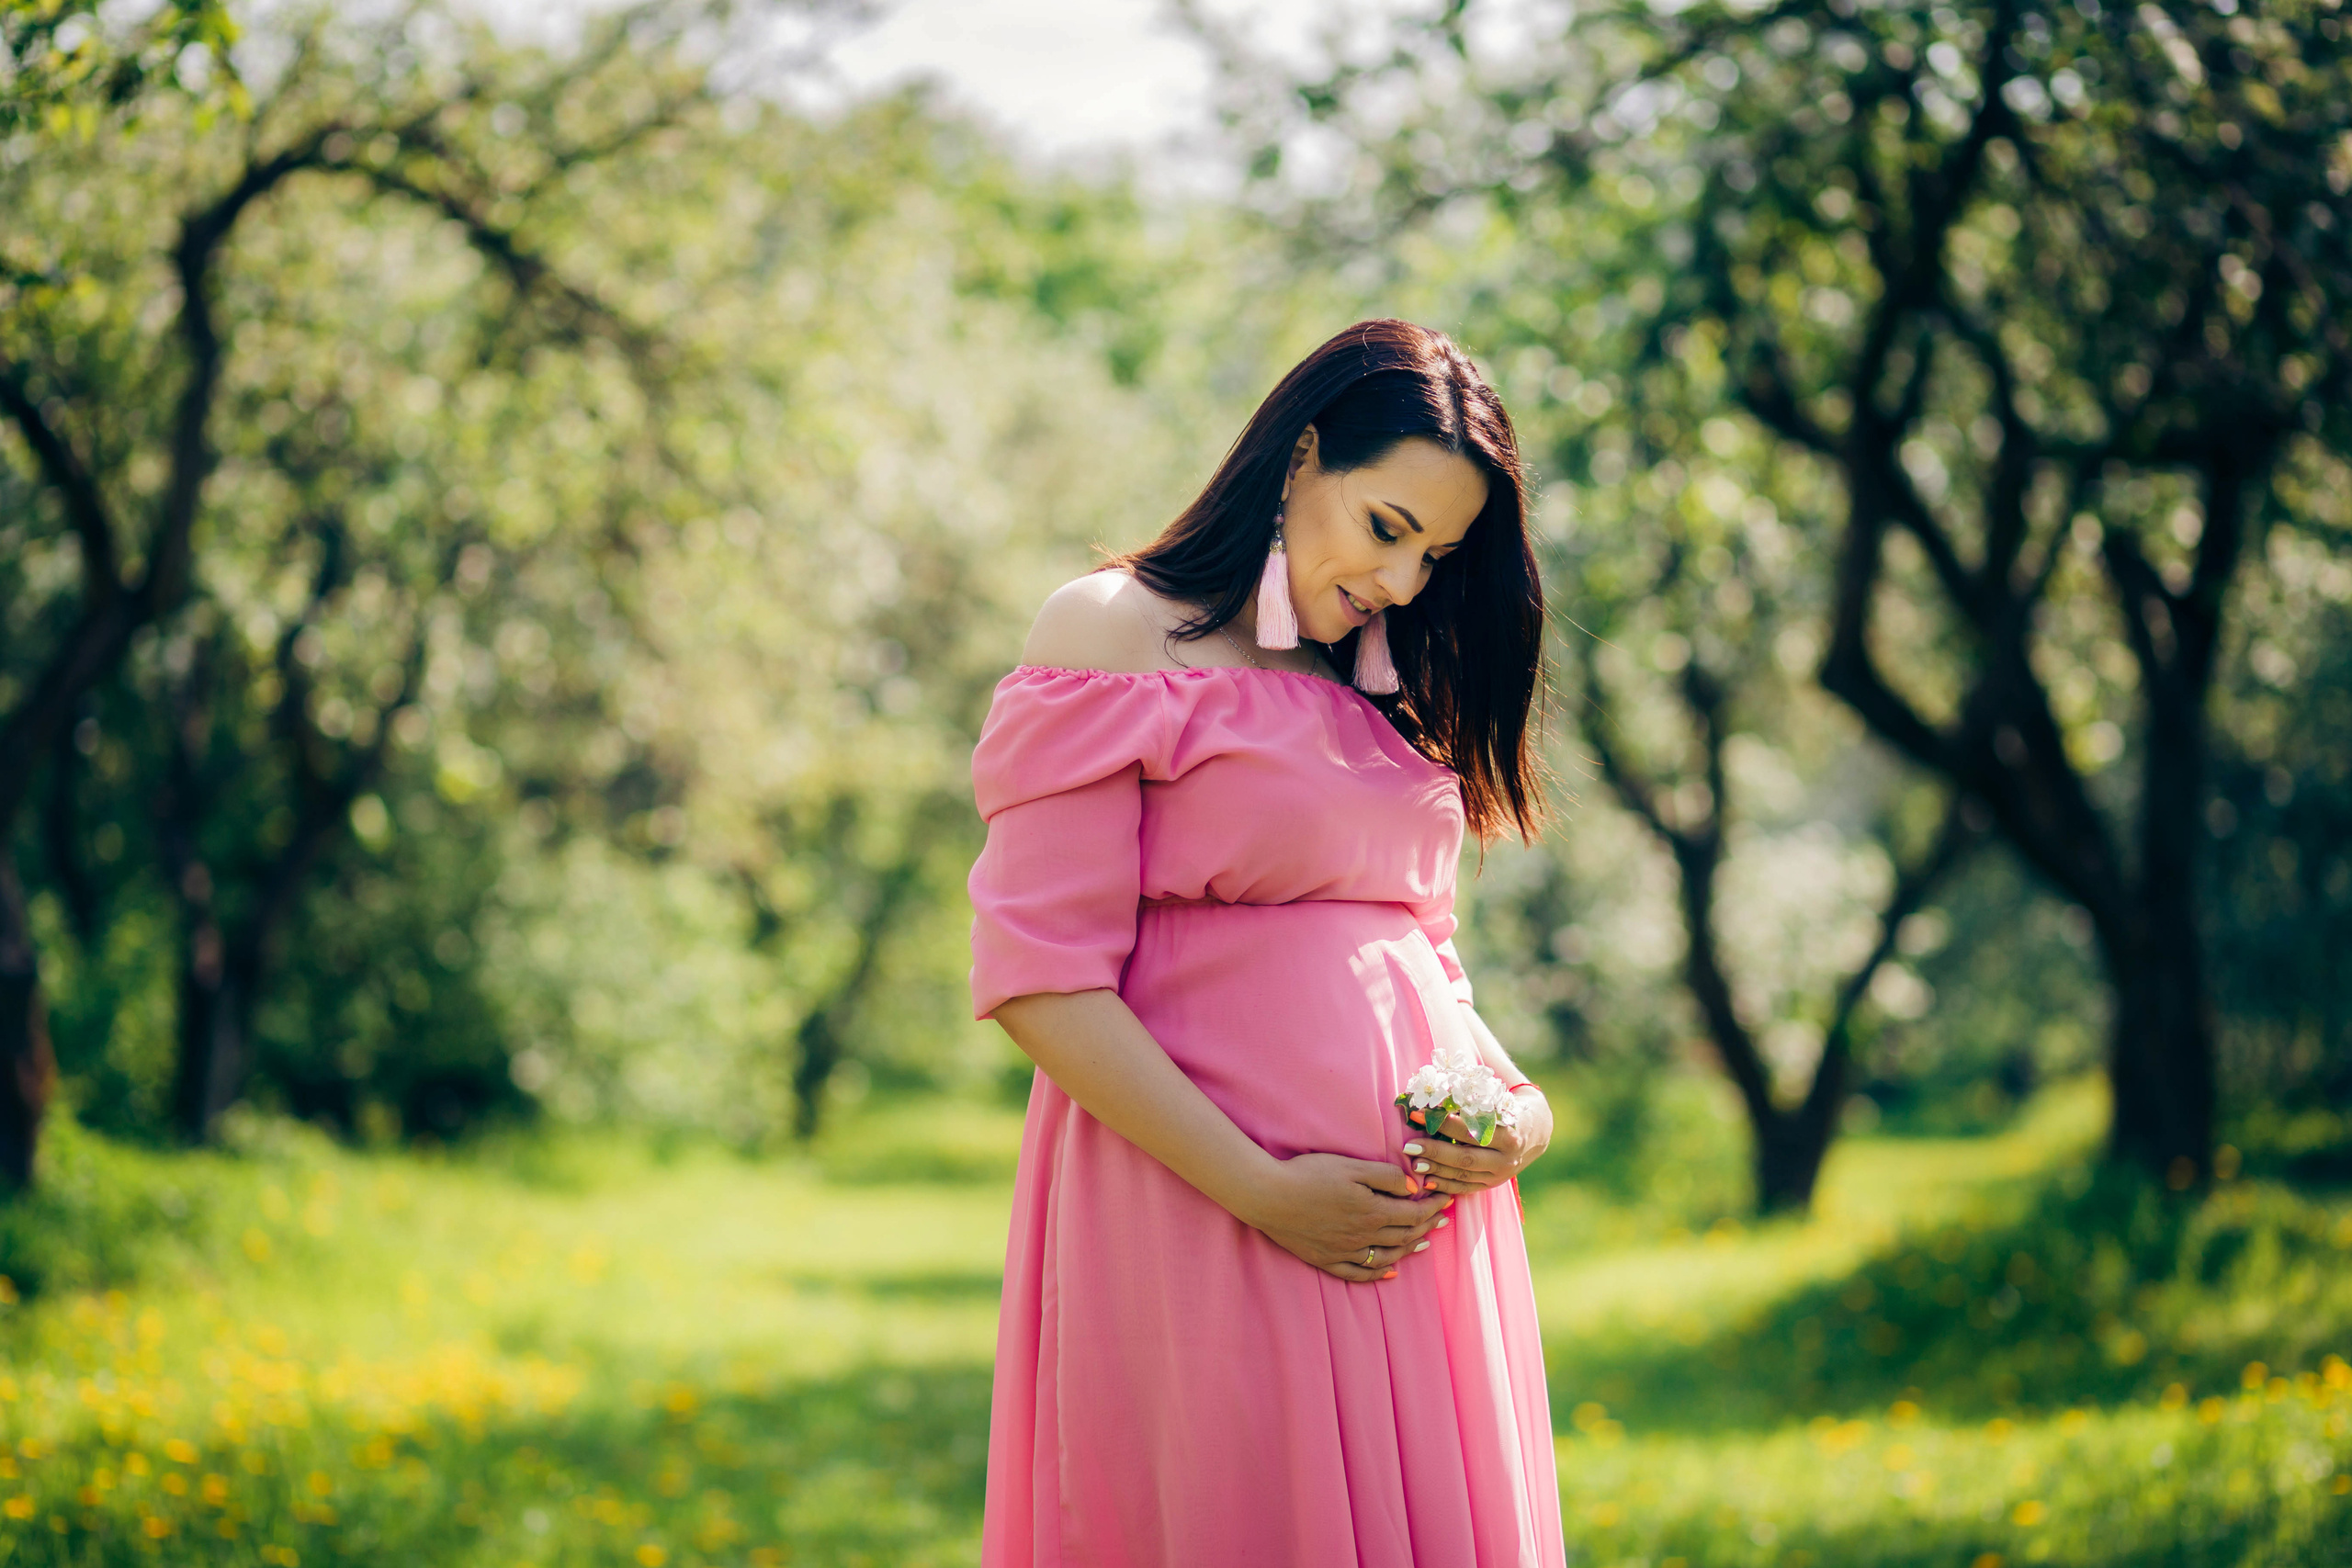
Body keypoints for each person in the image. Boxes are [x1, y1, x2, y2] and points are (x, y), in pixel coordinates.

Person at [967, 319, 1564, 1566]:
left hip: (1413, 1238)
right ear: (1299, 457)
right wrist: (1262, 1191)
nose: (1401, 583)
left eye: (1435, 556)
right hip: (1203, 1205)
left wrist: (1518, 1111)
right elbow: (1041, 981)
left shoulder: (1377, 678)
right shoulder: (1115, 636)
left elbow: (1421, 953)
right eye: (1386, 528)